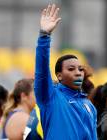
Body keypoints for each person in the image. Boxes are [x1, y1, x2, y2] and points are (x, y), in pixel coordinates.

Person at [34, 4, 97, 140]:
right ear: (59, 75)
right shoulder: (50, 96)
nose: (78, 72)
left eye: (80, 69)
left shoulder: (89, 105)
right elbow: (42, 70)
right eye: (71, 69)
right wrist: (44, 36)